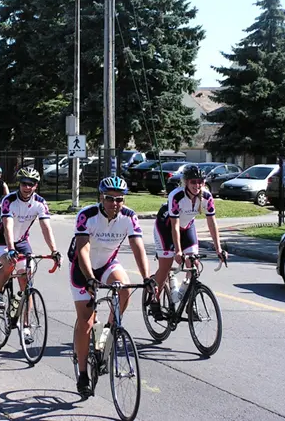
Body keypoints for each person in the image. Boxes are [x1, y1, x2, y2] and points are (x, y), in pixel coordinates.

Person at [69, 176, 155, 398]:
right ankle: (83, 374)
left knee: (124, 289)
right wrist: (90, 278)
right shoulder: (87, 215)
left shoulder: (129, 217)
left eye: (119, 199)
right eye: (109, 198)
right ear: (101, 197)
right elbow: (83, 250)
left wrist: (147, 277)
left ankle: (107, 332)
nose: (114, 203)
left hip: (107, 263)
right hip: (83, 268)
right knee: (86, 321)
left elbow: (137, 247)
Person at [0, 167, 61, 343]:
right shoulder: (9, 200)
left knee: (26, 281)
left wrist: (54, 251)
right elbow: (7, 226)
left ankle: (26, 326)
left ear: (36, 186)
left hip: (22, 241)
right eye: (24, 183)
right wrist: (11, 249)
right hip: (2, 240)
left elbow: (46, 228)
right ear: (19, 184)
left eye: (31, 184)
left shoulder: (40, 203)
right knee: (10, 263)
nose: (27, 187)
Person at [150, 164, 225, 319]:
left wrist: (219, 249)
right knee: (165, 266)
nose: (197, 185)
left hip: (187, 227)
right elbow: (174, 226)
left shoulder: (206, 196)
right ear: (185, 182)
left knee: (194, 264)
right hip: (166, 227)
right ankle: (154, 299)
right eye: (193, 182)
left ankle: (189, 303)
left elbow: (212, 222)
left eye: (200, 181)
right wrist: (178, 251)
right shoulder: (176, 196)